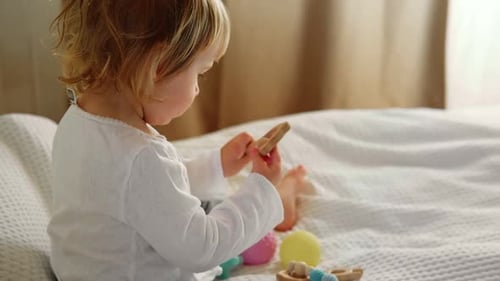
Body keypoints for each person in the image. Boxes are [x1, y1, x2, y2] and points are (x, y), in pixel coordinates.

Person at [47, 0, 308, 280]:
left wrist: (216, 166)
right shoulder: (141, 156)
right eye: (200, 72)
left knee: (221, 213)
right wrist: (261, 187)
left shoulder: (76, 119)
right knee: (231, 223)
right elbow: (202, 247)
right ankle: (279, 198)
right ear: (160, 65)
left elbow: (144, 192)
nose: (197, 89)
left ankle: (277, 201)